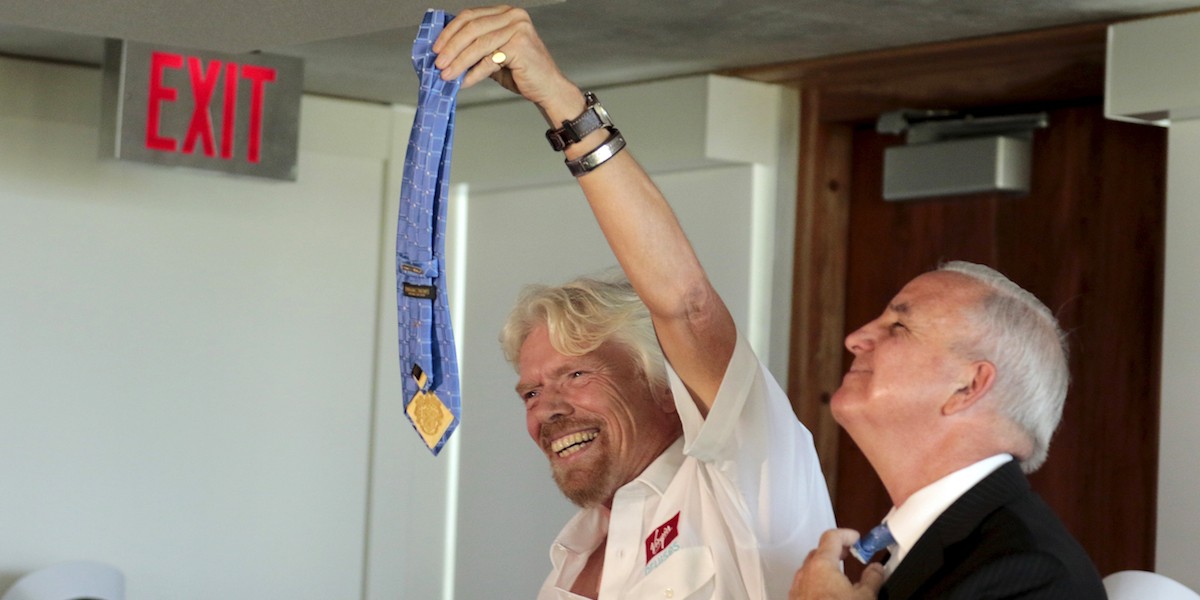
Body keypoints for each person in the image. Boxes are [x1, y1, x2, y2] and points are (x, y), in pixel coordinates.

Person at [431, 6, 835, 599]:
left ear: (665, 386)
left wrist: (563, 105)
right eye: (531, 392)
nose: (548, 409)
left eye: (576, 373)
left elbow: (686, 304)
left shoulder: (747, 478)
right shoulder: (568, 560)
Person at [789, 261, 1106, 599]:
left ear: (968, 387)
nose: (855, 339)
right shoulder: (941, 547)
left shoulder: (1034, 577)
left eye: (898, 325)